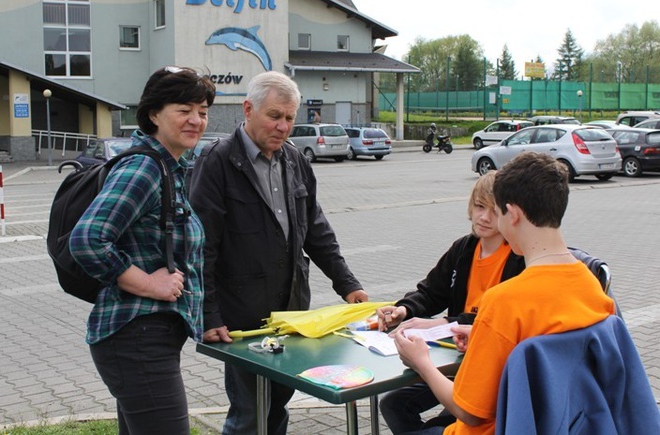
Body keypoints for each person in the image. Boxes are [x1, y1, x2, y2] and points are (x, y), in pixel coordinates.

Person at [189, 71, 368, 435]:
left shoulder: (294, 160)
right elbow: (200, 247)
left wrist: (347, 284)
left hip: (291, 311)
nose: (283, 126)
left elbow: (316, 229)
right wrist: (208, 314)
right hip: (241, 316)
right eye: (275, 116)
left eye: (290, 118)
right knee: (249, 414)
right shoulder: (217, 161)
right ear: (248, 109)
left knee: (278, 405)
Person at [394, 152, 615, 435]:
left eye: (496, 212)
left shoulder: (503, 302)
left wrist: (421, 362)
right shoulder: (592, 285)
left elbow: (469, 413)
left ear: (512, 214)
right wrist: (485, 334)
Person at [69, 67, 215, 435]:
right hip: (137, 338)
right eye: (184, 109)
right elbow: (87, 240)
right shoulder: (144, 168)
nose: (196, 120)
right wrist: (150, 284)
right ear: (153, 114)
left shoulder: (171, 168)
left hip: (145, 339)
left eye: (202, 110)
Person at [376, 171, 526, 433]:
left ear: (509, 215)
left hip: (488, 368)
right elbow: (432, 291)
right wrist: (404, 308)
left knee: (441, 423)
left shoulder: (518, 257)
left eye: (494, 210)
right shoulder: (464, 248)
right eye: (479, 206)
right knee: (392, 403)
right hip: (454, 358)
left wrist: (445, 322)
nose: (484, 217)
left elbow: (496, 318)